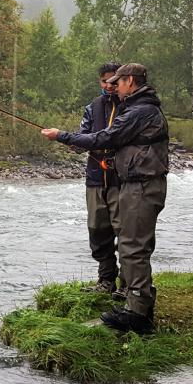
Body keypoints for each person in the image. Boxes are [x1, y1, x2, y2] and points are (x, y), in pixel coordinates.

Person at [41, 63, 169, 334]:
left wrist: (61, 136)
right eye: (109, 82)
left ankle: (137, 313)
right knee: (130, 245)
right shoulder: (136, 108)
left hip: (141, 186)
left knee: (133, 248)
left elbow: (108, 136)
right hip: (136, 185)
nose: (114, 86)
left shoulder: (139, 110)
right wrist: (77, 141)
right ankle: (136, 305)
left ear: (130, 81)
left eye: (118, 82)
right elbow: (107, 139)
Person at [78, 62, 124, 297]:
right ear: (100, 82)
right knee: (97, 229)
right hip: (96, 178)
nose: (108, 85)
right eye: (104, 81)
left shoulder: (131, 107)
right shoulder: (92, 108)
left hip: (122, 180)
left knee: (124, 231)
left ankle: (127, 285)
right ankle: (106, 280)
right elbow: (84, 136)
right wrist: (72, 141)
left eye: (113, 81)